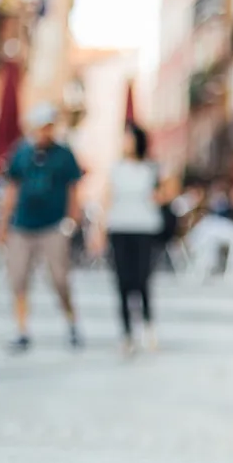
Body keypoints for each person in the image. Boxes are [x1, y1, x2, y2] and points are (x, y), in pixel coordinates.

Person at [0, 103, 84, 353]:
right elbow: (11, 189)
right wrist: (3, 223)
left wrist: (72, 220)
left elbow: (73, 189)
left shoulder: (64, 154)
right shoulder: (21, 153)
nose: (46, 132)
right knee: (18, 277)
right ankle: (22, 330)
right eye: (42, 127)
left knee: (59, 278)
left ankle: (72, 323)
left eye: (49, 126)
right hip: (22, 225)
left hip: (53, 225)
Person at [92, 124, 166, 356]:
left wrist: (158, 193)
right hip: (120, 227)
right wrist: (99, 230)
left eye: (129, 138)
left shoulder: (151, 168)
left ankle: (147, 326)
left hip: (144, 227)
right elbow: (106, 199)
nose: (126, 142)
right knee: (122, 281)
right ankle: (126, 334)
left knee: (143, 280)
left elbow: (164, 194)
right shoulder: (116, 168)